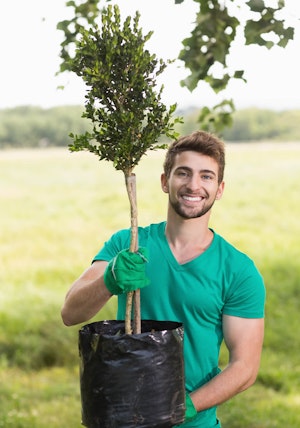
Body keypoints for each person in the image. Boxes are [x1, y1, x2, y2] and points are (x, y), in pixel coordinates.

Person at [61, 130, 265, 427]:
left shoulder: (238, 270)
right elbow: (70, 313)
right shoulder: (127, 244)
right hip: (122, 419)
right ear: (164, 181)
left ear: (220, 189)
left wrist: (184, 408)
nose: (194, 185)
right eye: (183, 173)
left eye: (206, 176)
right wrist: (109, 280)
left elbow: (245, 367)